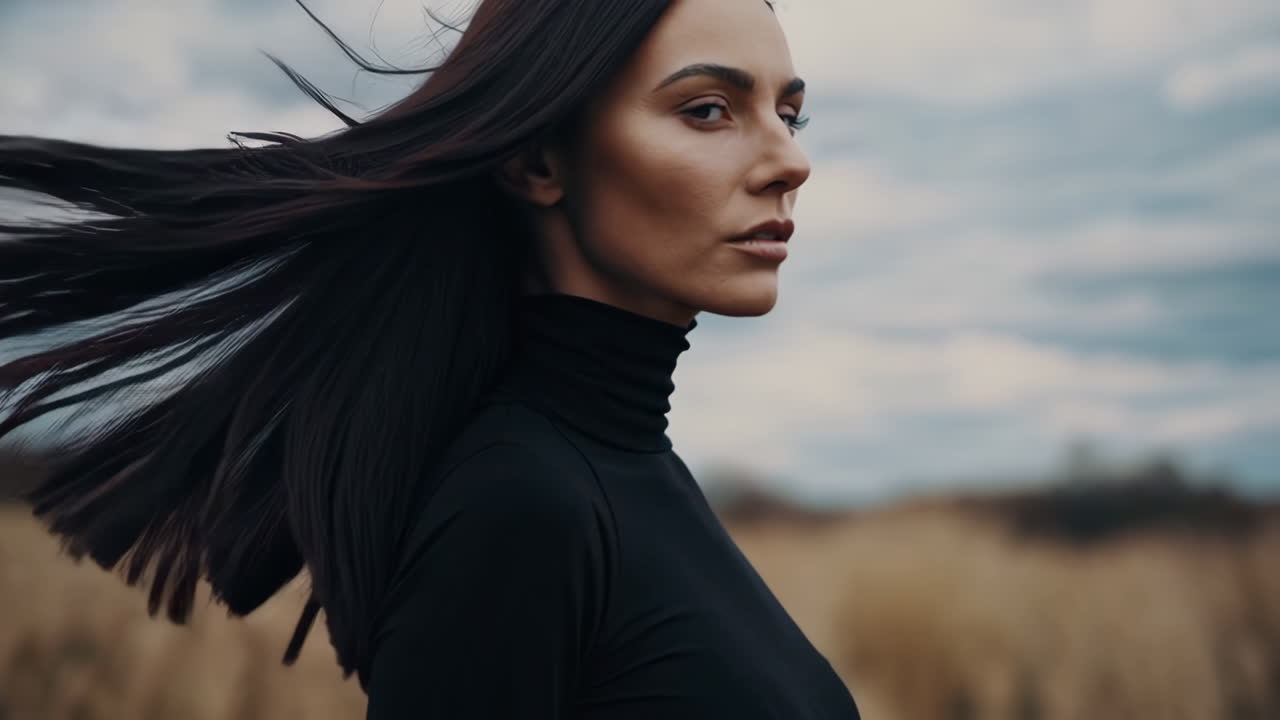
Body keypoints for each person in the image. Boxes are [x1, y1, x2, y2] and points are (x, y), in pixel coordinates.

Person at [0, 0, 861, 716]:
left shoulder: (624, 470)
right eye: (708, 109)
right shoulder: (524, 504)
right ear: (535, 159)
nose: (791, 160)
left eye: (790, 113)